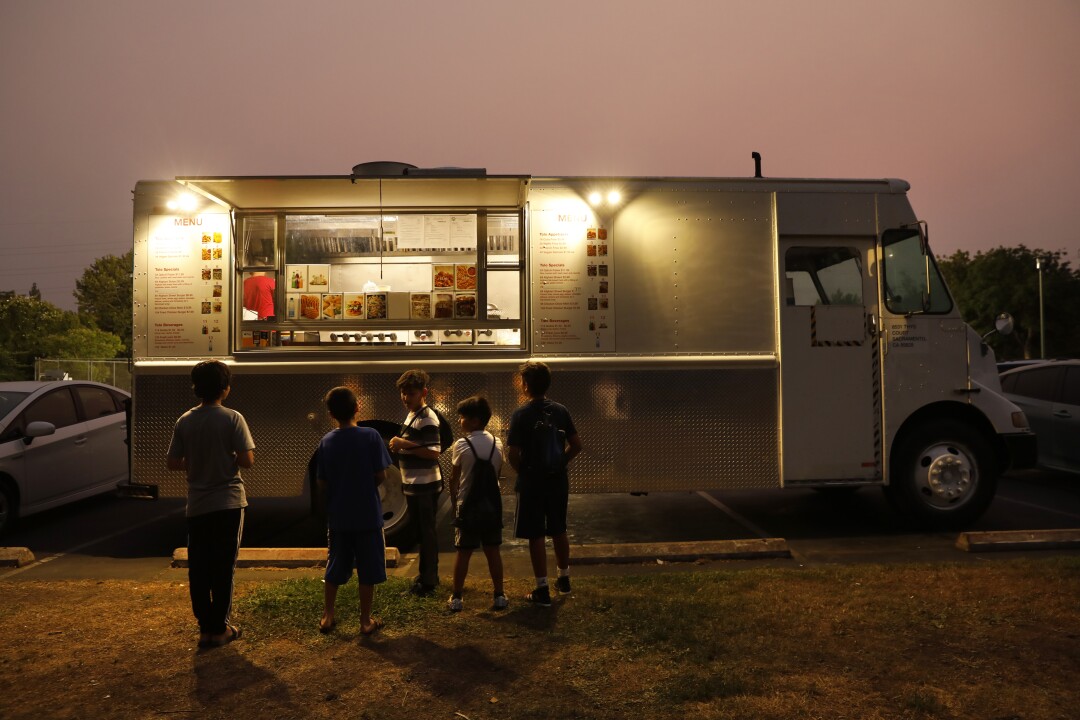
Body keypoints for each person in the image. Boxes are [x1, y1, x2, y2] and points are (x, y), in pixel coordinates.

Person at [166, 360, 255, 648]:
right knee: (223, 566)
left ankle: (205, 627)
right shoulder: (233, 418)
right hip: (228, 502)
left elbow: (172, 462)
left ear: (196, 388)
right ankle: (221, 628)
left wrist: (195, 461)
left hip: (198, 504)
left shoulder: (185, 420)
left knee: (200, 567)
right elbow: (247, 460)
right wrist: (227, 456)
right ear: (225, 389)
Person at [315, 386, 392, 636]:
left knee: (335, 563)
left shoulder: (326, 441)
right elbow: (381, 474)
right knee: (368, 568)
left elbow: (322, 482)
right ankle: (365, 621)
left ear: (330, 414)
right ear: (358, 407)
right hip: (368, 514)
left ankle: (328, 616)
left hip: (339, 515)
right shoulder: (370, 436)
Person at [507, 361, 583, 607]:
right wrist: (561, 461)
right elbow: (577, 445)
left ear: (525, 385)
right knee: (559, 528)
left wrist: (524, 473)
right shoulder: (561, 410)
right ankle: (564, 578)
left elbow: (513, 454)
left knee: (536, 533)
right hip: (557, 479)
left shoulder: (521, 414)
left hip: (532, 480)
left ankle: (542, 587)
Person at [447, 396, 508, 612]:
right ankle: (499, 595)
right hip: (492, 504)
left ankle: (456, 597)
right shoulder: (497, 443)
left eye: (463, 417)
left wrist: (455, 500)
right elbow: (497, 472)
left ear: (474, 420)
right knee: (493, 550)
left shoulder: (461, 445)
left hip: (468, 505)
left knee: (463, 551)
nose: (460, 421)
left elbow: (455, 478)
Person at [388, 369, 443, 596]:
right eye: (403, 393)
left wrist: (404, 444)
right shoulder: (413, 414)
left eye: (410, 393)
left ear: (424, 393)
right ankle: (427, 576)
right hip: (414, 484)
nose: (405, 397)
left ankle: (428, 581)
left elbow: (434, 452)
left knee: (426, 533)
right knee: (421, 532)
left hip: (425, 486)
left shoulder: (427, 417)